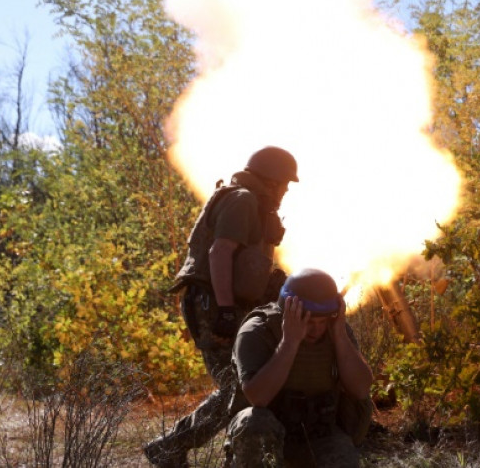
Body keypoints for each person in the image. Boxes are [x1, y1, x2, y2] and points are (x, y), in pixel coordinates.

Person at [144, 146, 299, 468]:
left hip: (225, 303)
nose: (285, 190)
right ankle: (171, 446)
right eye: (284, 183)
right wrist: (227, 310)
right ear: (268, 180)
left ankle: (172, 446)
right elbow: (219, 253)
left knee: (242, 385)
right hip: (213, 304)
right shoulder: (242, 200)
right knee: (239, 386)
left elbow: (247, 262)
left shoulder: (254, 204)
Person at [225, 268, 374, 467]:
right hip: (269, 435)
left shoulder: (336, 330)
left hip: (319, 435)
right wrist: (290, 342)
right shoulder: (257, 331)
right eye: (309, 320)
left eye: (322, 321)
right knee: (254, 423)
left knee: (343, 459)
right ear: (289, 310)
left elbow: (361, 388)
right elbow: (257, 397)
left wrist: (339, 335)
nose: (316, 329)